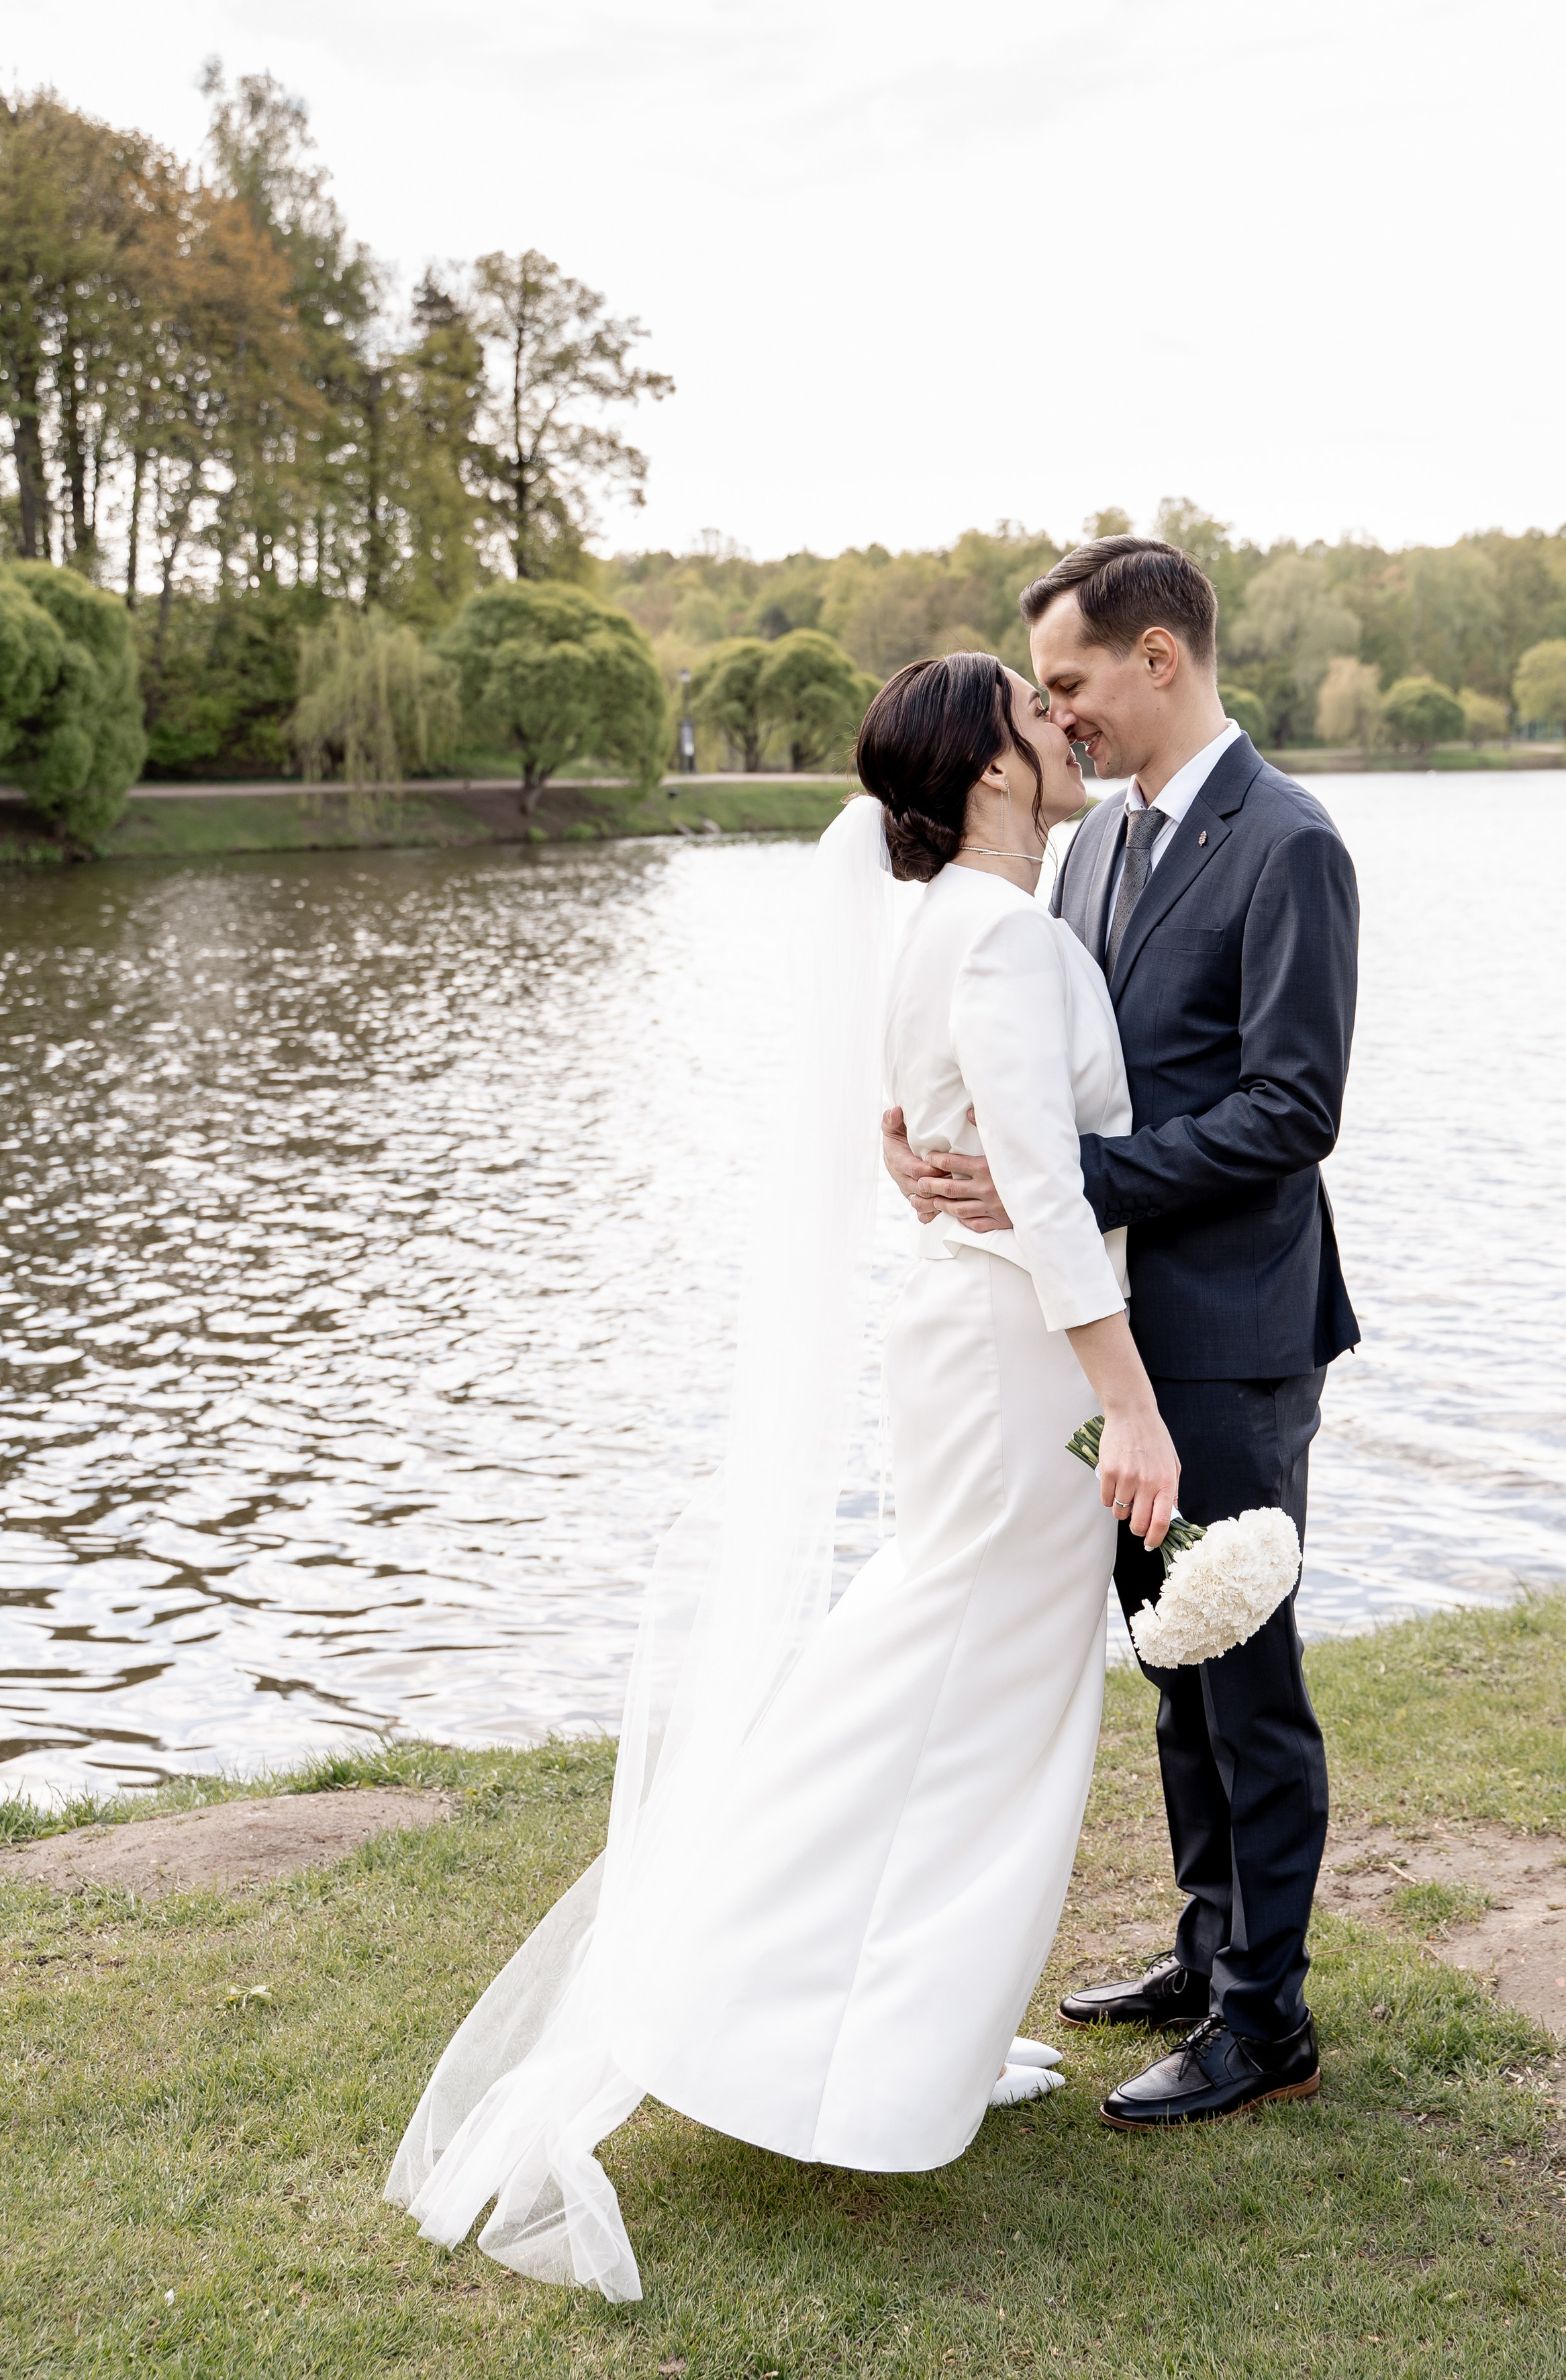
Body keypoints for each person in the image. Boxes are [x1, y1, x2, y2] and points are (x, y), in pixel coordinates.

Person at [385, 649, 1182, 2301]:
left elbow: (923, 1134)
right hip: (1021, 1344)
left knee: (958, 1673)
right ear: (984, 775)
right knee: (963, 1680)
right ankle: (794, 2017)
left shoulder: (933, 930)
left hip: (968, 1339)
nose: (1063, 728)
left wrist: (935, 1179)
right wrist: (1130, 1404)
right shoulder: (1007, 932)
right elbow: (1038, 1181)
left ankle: (894, 2019)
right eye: (1038, 718)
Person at [886, 535, 1359, 2131]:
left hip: (1225, 1331)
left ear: (1159, 659)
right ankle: (1202, 1947)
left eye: (1073, 680)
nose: (1060, 715)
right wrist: (951, 1155)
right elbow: (1033, 1052)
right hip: (1105, 1341)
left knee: (1243, 1666)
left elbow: (1290, 1110)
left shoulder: (1285, 840)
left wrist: (1063, 1179)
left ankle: (1264, 2018)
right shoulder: (1084, 855)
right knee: (1170, 1664)